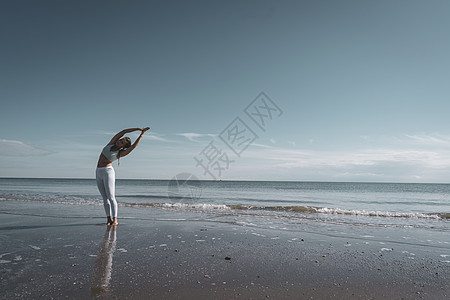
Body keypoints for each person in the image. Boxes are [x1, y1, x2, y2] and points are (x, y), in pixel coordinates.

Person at [96, 127, 150, 226]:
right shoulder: (111, 143)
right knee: (104, 197)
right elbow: (123, 132)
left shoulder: (120, 153)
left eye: (122, 142)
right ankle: (108, 219)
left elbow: (133, 147)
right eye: (121, 140)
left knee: (111, 197)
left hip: (108, 172)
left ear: (123, 146)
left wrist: (141, 135)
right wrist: (138, 129)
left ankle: (115, 219)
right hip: (98, 171)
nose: (119, 141)